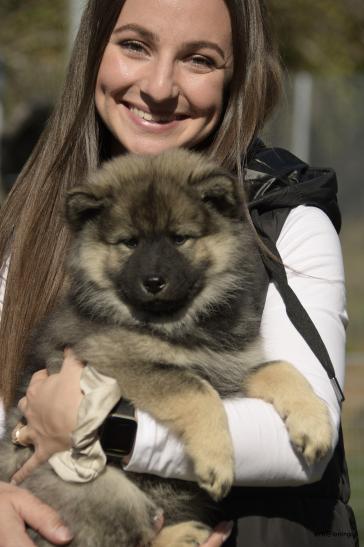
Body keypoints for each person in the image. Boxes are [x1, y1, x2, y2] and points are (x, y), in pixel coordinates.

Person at [0, 0, 357, 545]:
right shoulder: (34, 217)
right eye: (135, 46)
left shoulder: (289, 217)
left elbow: (304, 445)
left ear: (237, 74)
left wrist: (111, 427)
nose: (161, 86)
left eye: (199, 59)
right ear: (94, 52)